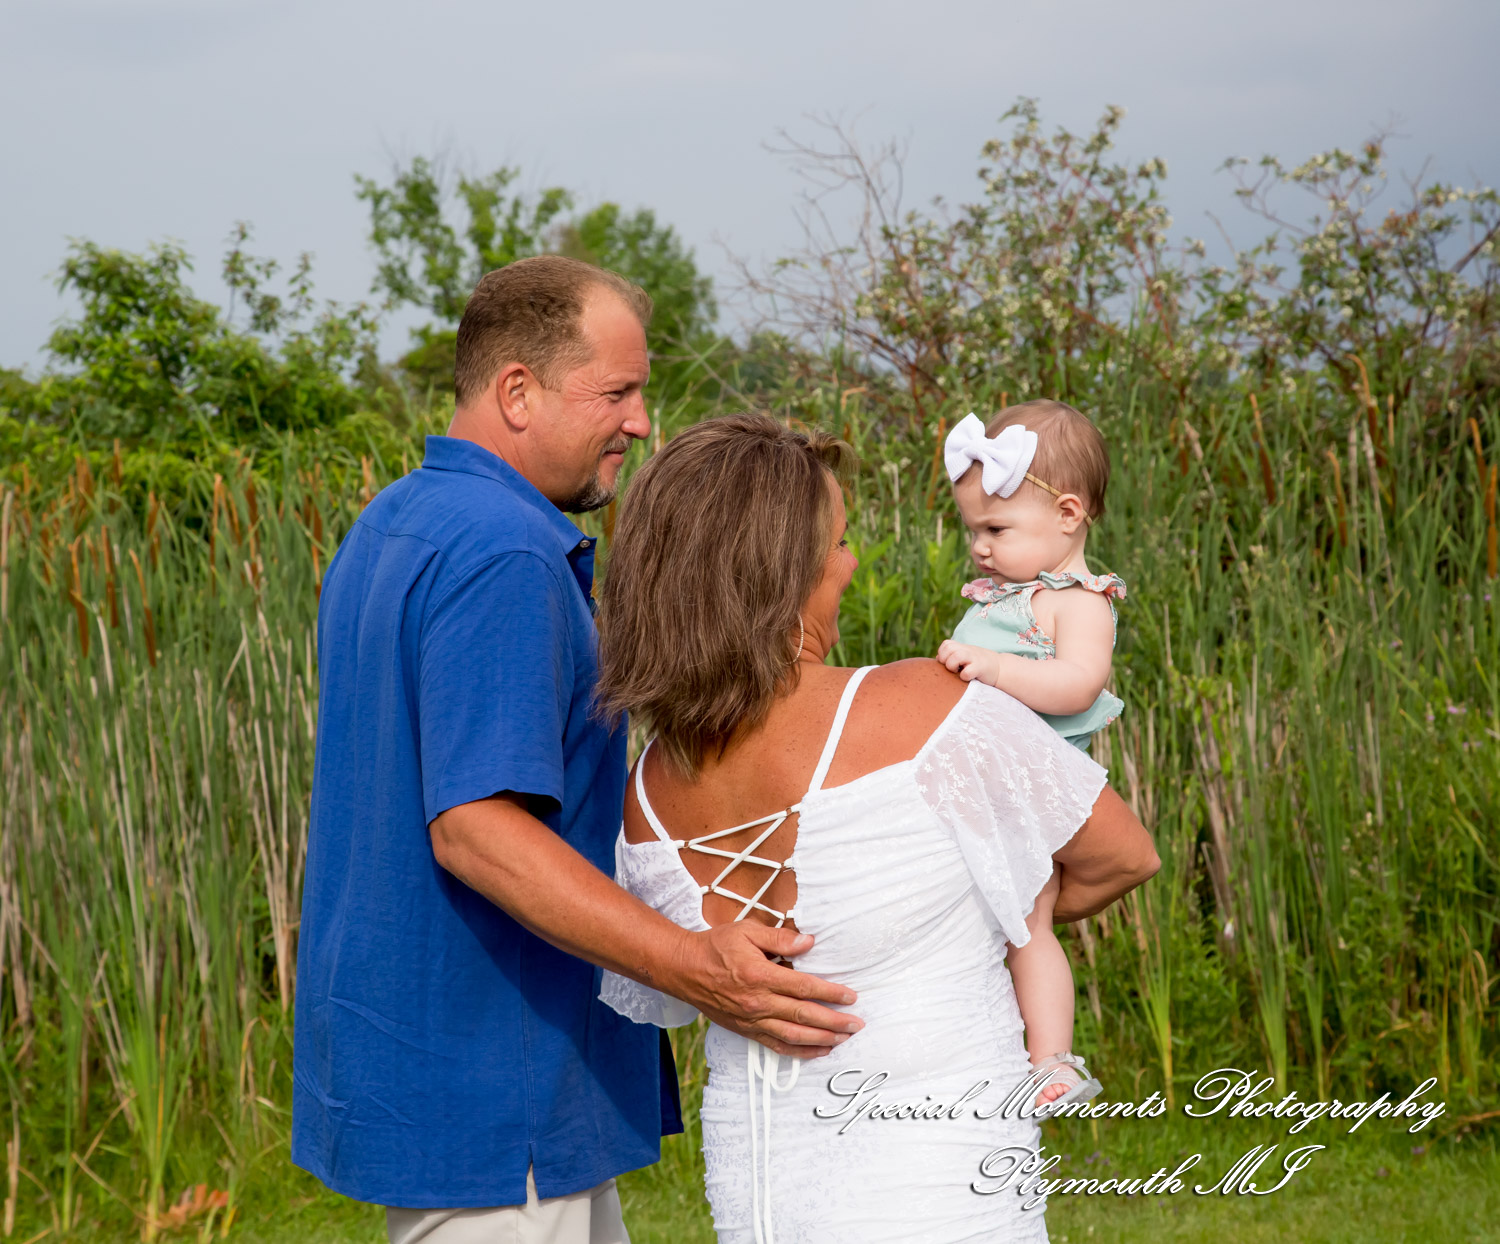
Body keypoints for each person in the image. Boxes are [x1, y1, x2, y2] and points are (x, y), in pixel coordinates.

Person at [291, 259, 861, 1244]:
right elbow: (476, 828)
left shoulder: (395, 521)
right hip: (494, 1086)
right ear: (518, 390)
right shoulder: (505, 553)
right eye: (618, 391)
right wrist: (694, 962)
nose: (641, 421)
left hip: (454, 1073)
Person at [592, 412, 1159, 1244]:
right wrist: (986, 909)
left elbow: (670, 989)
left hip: (760, 1175)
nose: (850, 562)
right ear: (783, 574)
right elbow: (1123, 855)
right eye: (839, 543)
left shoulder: (643, 790)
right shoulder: (923, 706)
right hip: (937, 1163)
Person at [935, 400, 1127, 1113]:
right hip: (979, 784)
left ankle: (1053, 1062)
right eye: (973, 530)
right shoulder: (1008, 595)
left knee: (1030, 922)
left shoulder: (1079, 603)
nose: (979, 546)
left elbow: (1079, 684)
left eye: (996, 528)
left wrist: (990, 668)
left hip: (1030, 791)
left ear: (1069, 514)